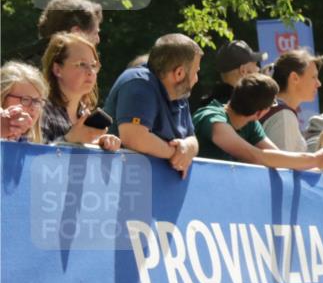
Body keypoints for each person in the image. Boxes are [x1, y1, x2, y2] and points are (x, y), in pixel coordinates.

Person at [192, 73, 323, 173]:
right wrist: (317, 159)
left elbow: (281, 160)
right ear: (259, 112)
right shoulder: (212, 118)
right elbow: (256, 156)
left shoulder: (250, 123)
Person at [105, 34, 202, 178]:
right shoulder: (139, 82)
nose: (196, 79)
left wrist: (187, 148)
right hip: (118, 184)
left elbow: (192, 139)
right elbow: (134, 138)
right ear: (179, 73)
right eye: (196, 72)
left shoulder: (179, 95)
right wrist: (177, 154)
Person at [5, 0, 102, 66]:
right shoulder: (54, 75)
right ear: (76, 33)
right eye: (95, 33)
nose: (98, 40)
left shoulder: (18, 67)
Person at [39, 33, 99, 142]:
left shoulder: (86, 115)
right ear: (57, 70)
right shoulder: (40, 110)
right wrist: (68, 140)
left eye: (93, 65)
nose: (90, 72)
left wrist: (103, 145)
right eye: (81, 64)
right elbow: (33, 156)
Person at [261, 49, 322, 152]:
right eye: (313, 77)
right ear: (294, 78)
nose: (319, 83)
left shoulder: (276, 110)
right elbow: (283, 165)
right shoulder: (283, 115)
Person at [197, 40, 265, 110]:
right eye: (255, 64)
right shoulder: (243, 107)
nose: (258, 69)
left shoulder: (209, 103)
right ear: (243, 70)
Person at [1, 61, 47, 142]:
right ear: (2, 97)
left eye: (37, 101)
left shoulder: (32, 143)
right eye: (25, 99)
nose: (33, 107)